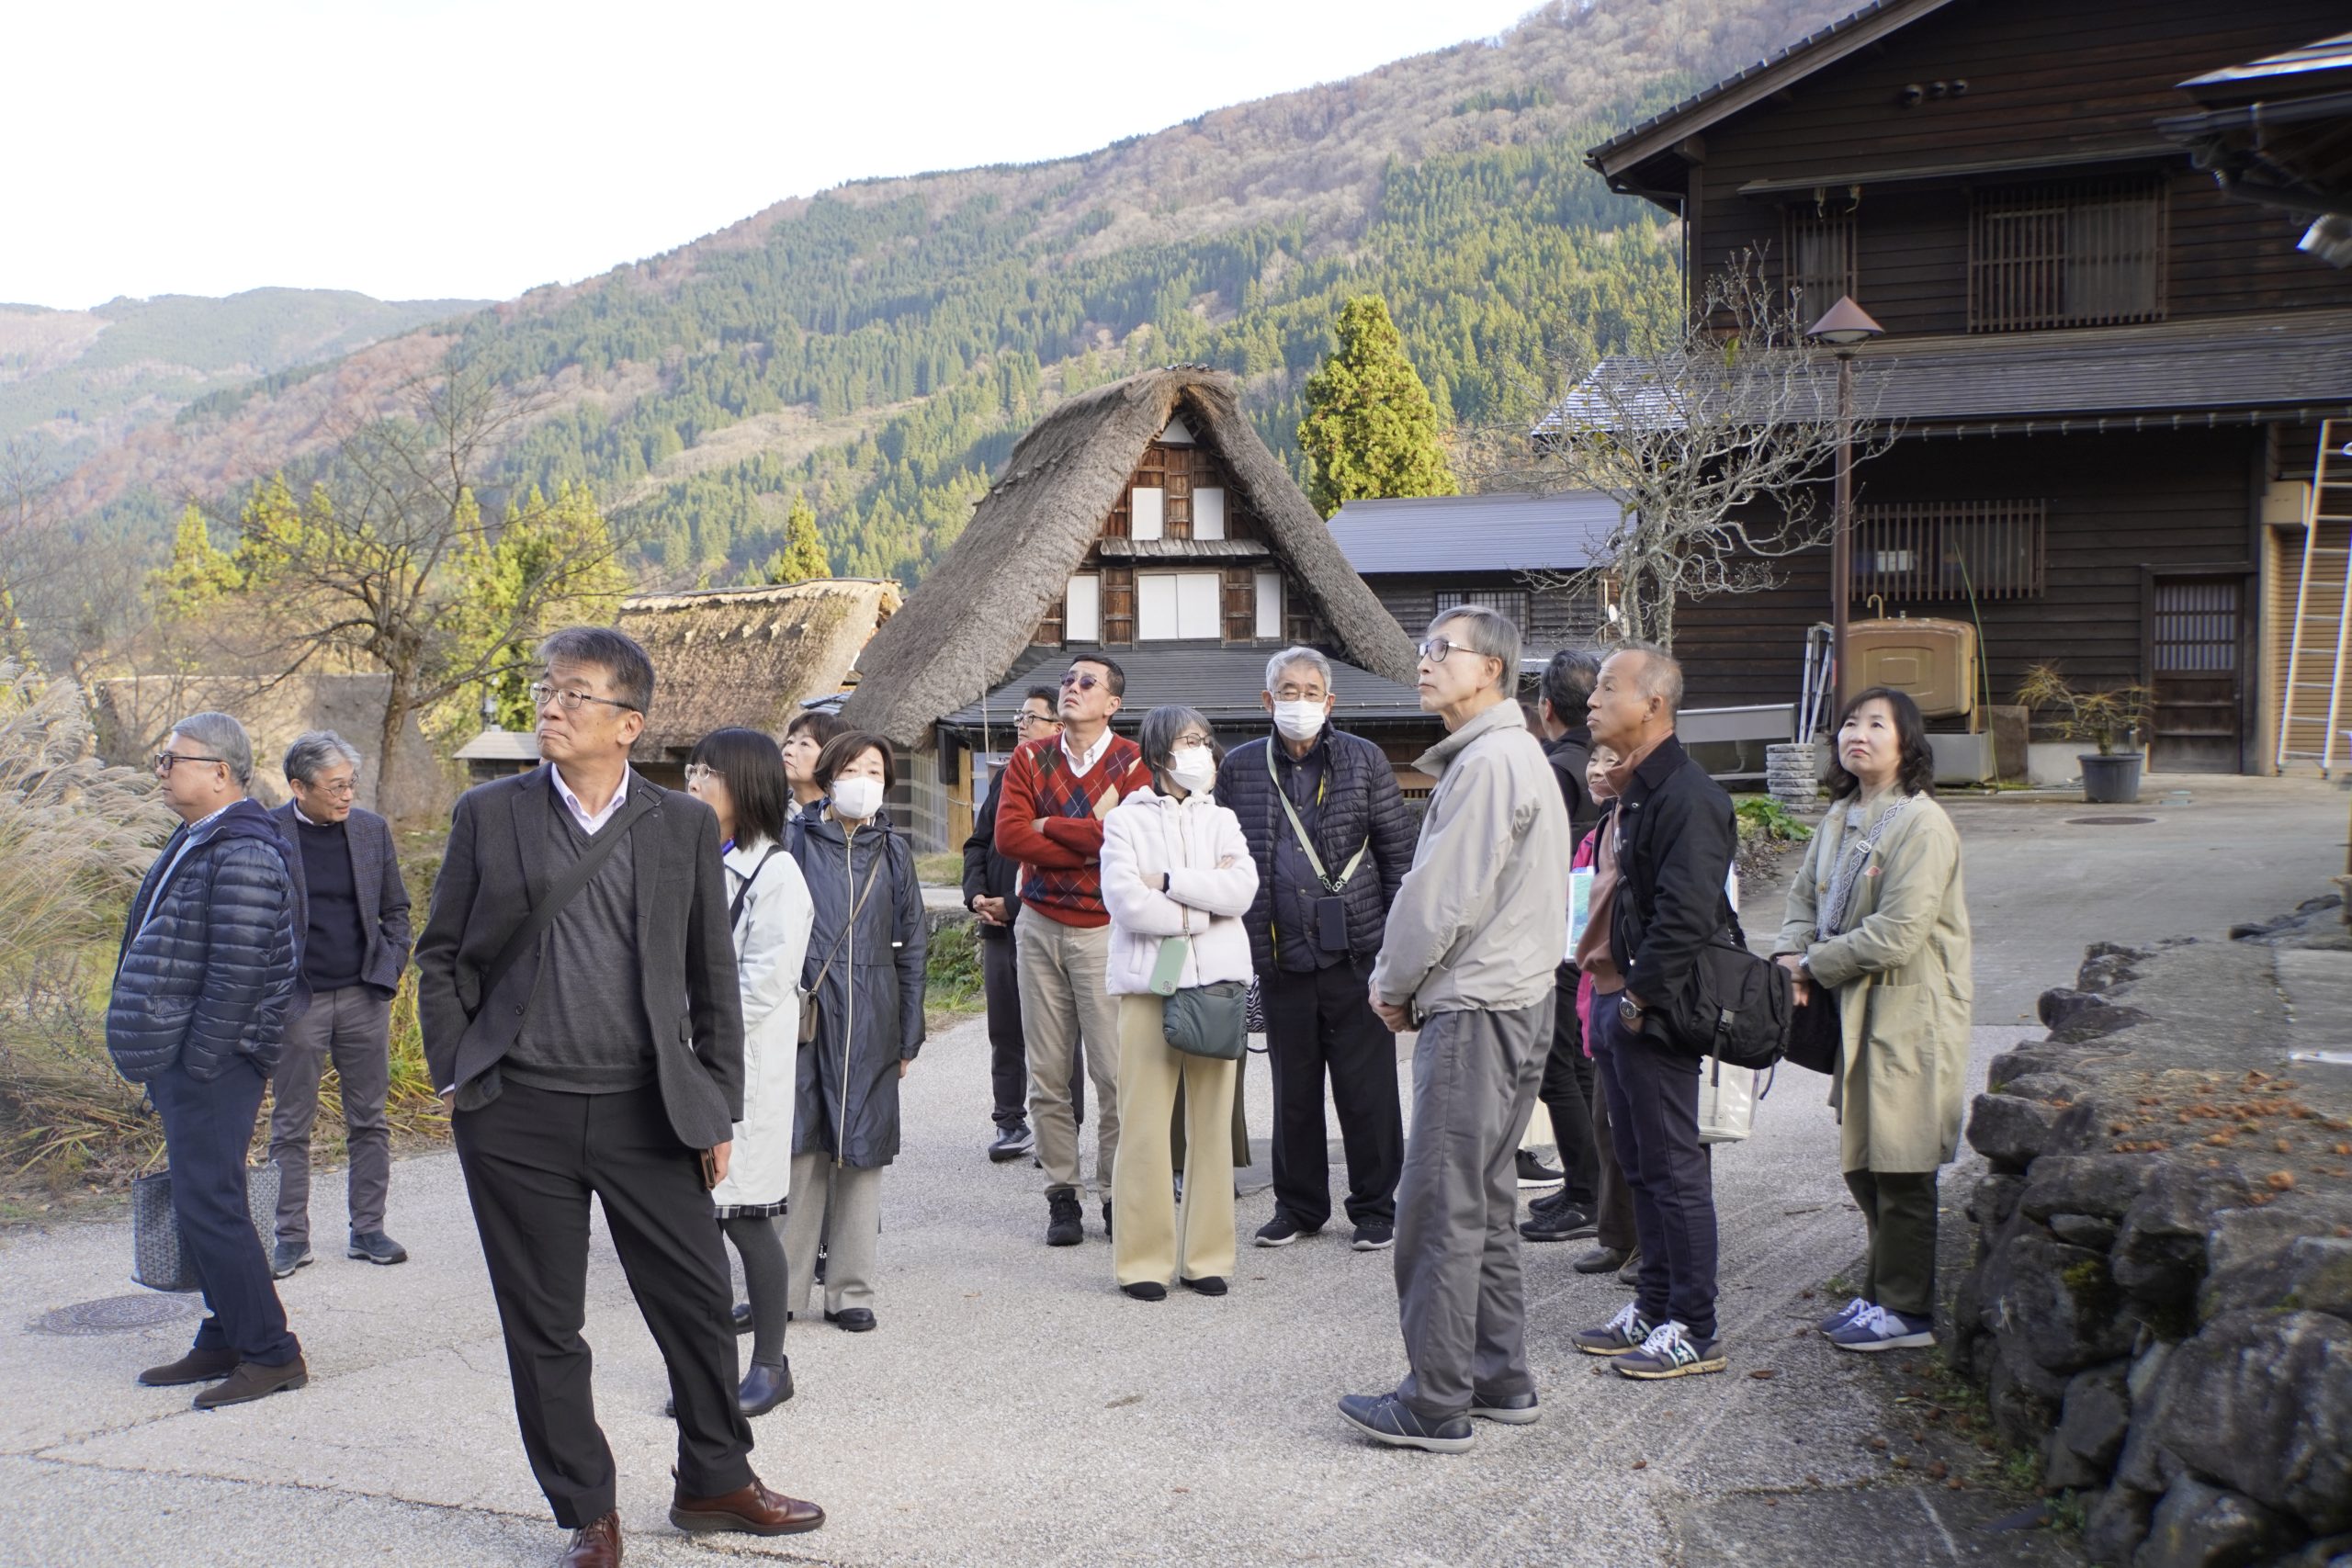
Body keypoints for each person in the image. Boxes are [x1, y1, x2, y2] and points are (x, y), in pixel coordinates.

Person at [415, 626, 821, 1566]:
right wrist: (461, 1071)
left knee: (695, 1301)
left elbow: (710, 976)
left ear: (628, 723)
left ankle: (715, 1478)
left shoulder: (680, 824)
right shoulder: (490, 813)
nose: (551, 707)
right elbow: (441, 955)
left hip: (649, 1105)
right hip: (517, 1111)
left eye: (575, 694)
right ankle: (586, 1511)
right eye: (547, 690)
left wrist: (716, 1107)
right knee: (545, 1322)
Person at [1339, 607, 1570, 1454]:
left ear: (1492, 668)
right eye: (1423, 648)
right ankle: (1498, 1374)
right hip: (1516, 999)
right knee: (1487, 1197)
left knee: (1439, 1202)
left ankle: (1436, 1397)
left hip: (1475, 1007)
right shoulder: (1513, 755)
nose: (1425, 662)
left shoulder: (1490, 763)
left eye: (1443, 650)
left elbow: (1439, 897)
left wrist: (1393, 983)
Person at [107, 712, 307, 1410]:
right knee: (205, 1200)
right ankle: (224, 1334)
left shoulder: (244, 850)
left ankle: (272, 1352)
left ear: (220, 772)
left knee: (211, 1203)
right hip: (192, 1057)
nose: (162, 770)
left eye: (174, 760)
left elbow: (238, 974)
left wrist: (197, 1060)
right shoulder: (202, 836)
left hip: (214, 1061)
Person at [1775, 688, 1972, 1354]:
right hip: (1856, 1006)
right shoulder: (1841, 815)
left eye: (1876, 724)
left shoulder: (1922, 824)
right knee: (1864, 1157)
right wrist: (1790, 955)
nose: (1858, 733)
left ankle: (1907, 1310)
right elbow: (1802, 900)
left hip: (1910, 1012)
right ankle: (1883, 1292)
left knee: (1903, 1161)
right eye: (1850, 723)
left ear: (1907, 742)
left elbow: (1899, 932)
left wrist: (1810, 962)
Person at [1573, 641, 1737, 1382]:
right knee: (1639, 1164)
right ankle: (1654, 1303)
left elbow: (1687, 915)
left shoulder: (1688, 796)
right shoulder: (1635, 791)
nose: (1593, 699)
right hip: (1616, 998)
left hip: (1653, 1007)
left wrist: (1639, 999)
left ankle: (1694, 1326)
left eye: (1610, 687)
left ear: (1654, 704)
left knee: (1674, 1169)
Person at [1214, 647, 1414, 1252]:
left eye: (1310, 691)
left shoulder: (1364, 758)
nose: (1298, 701)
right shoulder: (1240, 767)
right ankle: (1298, 1206)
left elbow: (1397, 857)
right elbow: (1224, 857)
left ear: (1329, 702)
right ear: (1267, 700)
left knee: (1367, 1089)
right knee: (1293, 1091)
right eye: (1287, 690)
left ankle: (1375, 1206)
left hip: (1356, 953)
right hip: (1280, 955)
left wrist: (1396, 950)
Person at [994, 654, 1154, 1247]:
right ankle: (1062, 1191)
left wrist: (1048, 826)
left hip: (1105, 929)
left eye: (1088, 682)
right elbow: (1009, 837)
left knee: (1113, 1072)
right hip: (1038, 924)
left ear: (1113, 703)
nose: (1072, 687)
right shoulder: (1029, 757)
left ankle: (1113, 1190)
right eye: (1068, 679)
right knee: (1047, 1071)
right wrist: (1090, 839)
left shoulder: (1134, 761)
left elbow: (1130, 843)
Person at [1100, 705, 1258, 1301]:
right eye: (1189, 740)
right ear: (1159, 752)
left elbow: (1242, 890)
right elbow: (1126, 902)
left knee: (1212, 1124)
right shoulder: (1125, 821)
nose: (1202, 751)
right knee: (1143, 1124)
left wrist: (1167, 881)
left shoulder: (1223, 820)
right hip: (1150, 984)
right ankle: (1142, 1261)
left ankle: (1206, 1256)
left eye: (1204, 740)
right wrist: (1201, 909)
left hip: (1216, 985)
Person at [685, 727, 814, 1412]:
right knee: (693, 1225)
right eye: (693, 770)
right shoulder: (692, 855)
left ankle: (770, 1364)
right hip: (684, 1062)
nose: (695, 782)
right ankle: (706, 1371)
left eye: (710, 773)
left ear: (746, 785)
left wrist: (688, 1013)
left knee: (744, 1218)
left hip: (742, 1070)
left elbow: (764, 983)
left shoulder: (777, 874)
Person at [783, 730, 927, 1333]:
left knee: (862, 1150)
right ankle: (782, 1289)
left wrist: (909, 1033)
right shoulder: (793, 840)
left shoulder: (893, 852)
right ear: (827, 776)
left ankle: (850, 1290)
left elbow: (912, 945)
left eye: (875, 771)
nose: (863, 781)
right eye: (852, 769)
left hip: (872, 1011)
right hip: (806, 1012)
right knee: (801, 1148)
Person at [265, 730, 413, 1280]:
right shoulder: (268, 834)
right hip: (297, 1000)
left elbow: (396, 910)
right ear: (299, 787)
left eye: (351, 784)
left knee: (369, 1119)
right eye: (335, 787)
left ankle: (368, 1229)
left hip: (362, 996)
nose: (347, 795)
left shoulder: (371, 830)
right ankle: (290, 1237)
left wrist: (387, 972)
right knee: (290, 1125)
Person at [1534, 741, 1645, 1282]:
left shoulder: (1649, 822)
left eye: (1611, 760)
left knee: (1645, 1132)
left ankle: (1650, 1247)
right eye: (1594, 760)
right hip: (1593, 989)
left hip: (1636, 994)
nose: (1597, 770)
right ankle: (1616, 1236)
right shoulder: (1599, 829)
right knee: (1607, 1122)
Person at [963, 687, 1084, 1162]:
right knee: (1005, 1029)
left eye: (1031, 717)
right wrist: (976, 895)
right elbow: (978, 843)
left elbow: (1071, 859)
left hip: (1046, 921)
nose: (1020, 724)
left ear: (1058, 727)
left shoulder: (1065, 782)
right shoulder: (1008, 777)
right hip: (997, 926)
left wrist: (1013, 904)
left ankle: (1062, 1128)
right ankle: (1010, 1121)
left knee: (1057, 1033)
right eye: (1020, 716)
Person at [1522, 650, 1610, 1241]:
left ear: (1547, 708)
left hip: (1555, 937)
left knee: (1558, 1068)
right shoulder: (1605, 764)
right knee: (1581, 1065)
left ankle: (1586, 1190)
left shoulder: (1553, 770)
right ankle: (1589, 1183)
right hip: (1595, 936)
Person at [780, 709, 844, 848]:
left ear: (832, 756)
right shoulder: (767, 815)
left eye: (804, 744)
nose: (788, 751)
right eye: (790, 741)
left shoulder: (847, 823)